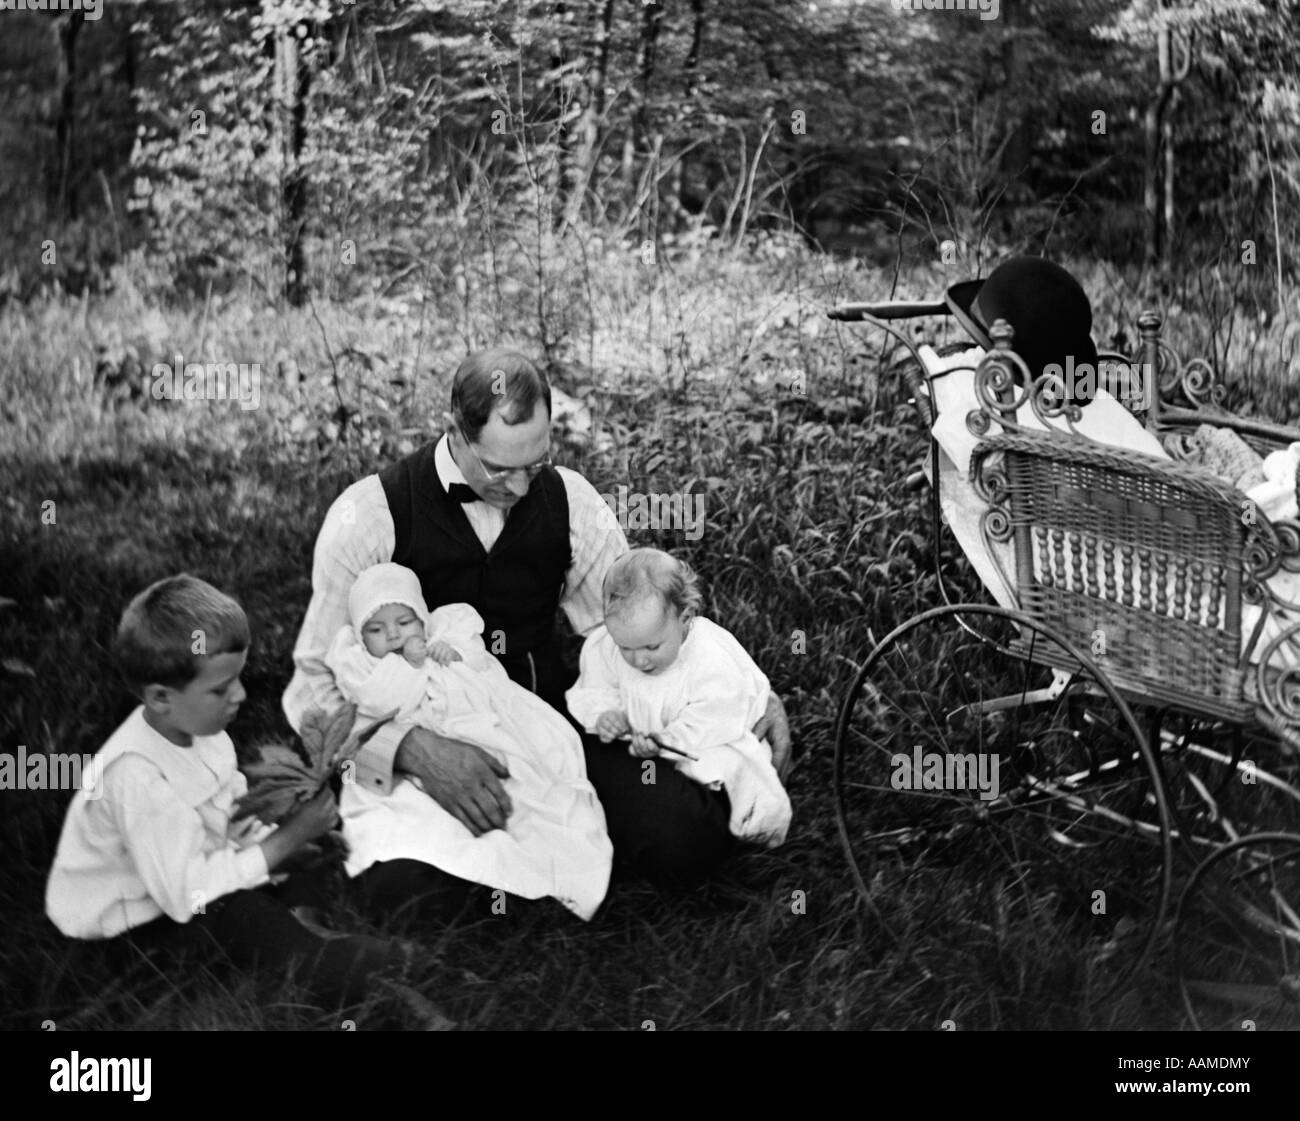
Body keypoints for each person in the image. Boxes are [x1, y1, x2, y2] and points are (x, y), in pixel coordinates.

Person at [284, 347, 792, 901]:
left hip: (547, 724)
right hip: (428, 723)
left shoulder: (570, 499)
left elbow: (632, 621)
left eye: (536, 464)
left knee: (685, 836)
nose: (522, 488)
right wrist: (409, 750)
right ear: (454, 430)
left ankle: (554, 838)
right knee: (400, 885)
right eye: (500, 469)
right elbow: (313, 686)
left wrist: (752, 691)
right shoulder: (369, 516)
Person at [44, 574, 405, 1012]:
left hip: (188, 879)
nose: (240, 695)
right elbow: (187, 898)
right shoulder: (136, 777)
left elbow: (229, 814)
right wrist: (283, 841)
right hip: (134, 930)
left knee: (297, 860)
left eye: (237, 678)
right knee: (240, 913)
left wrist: (276, 844)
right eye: (220, 688)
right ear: (160, 698)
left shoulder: (206, 732)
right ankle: (323, 964)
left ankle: (306, 927)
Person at [324, 562, 612, 919]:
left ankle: (534, 876)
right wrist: (409, 670)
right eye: (377, 630)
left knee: (528, 795)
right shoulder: (365, 671)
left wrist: (448, 659)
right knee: (410, 831)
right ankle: (472, 876)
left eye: (404, 623)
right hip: (403, 759)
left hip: (477, 733)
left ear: (423, 621)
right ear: (362, 638)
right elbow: (377, 702)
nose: (394, 636)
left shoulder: (446, 638)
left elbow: (481, 681)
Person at [566, 548, 792, 847]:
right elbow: (599, 684)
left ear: (684, 618)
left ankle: (745, 820)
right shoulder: (613, 645)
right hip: (649, 741)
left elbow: (717, 713)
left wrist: (666, 741)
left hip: (713, 738)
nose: (639, 661)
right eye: (626, 648)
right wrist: (607, 713)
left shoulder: (707, 659)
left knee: (734, 772)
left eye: (652, 647)